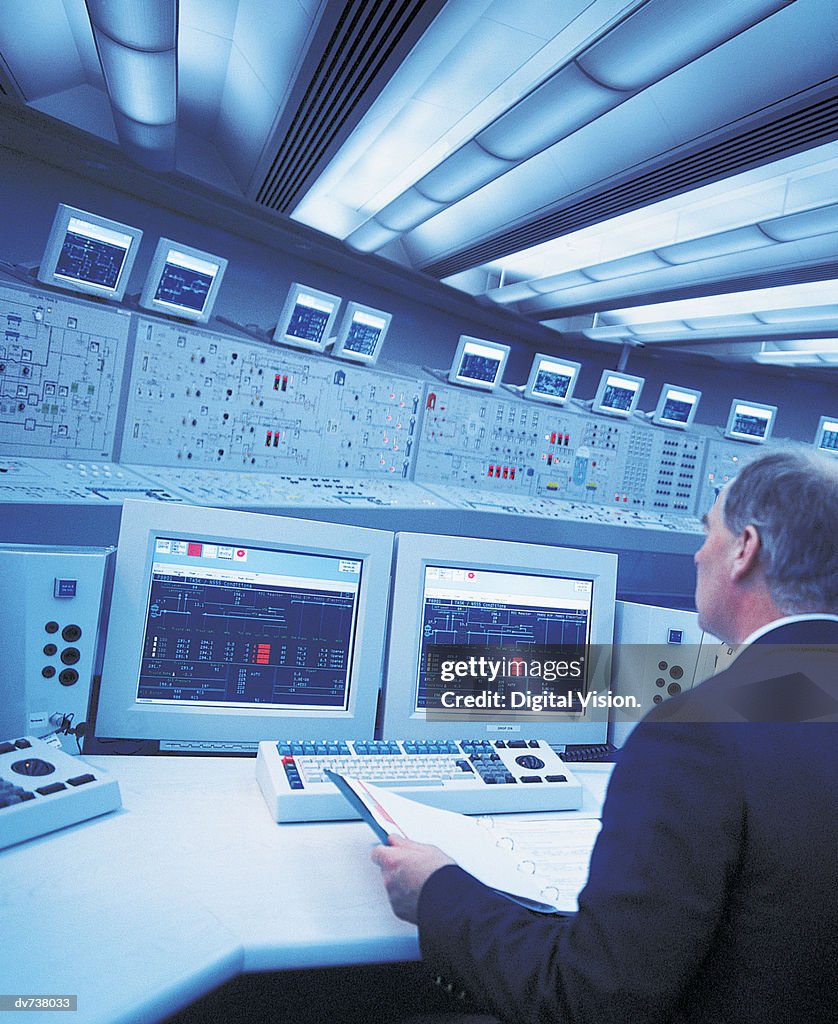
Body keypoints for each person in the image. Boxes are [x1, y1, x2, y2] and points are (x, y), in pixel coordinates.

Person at [372, 447, 838, 1024]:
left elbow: (590, 999)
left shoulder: (697, 737)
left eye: (708, 531)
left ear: (745, 549)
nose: (697, 553)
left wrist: (436, 891)